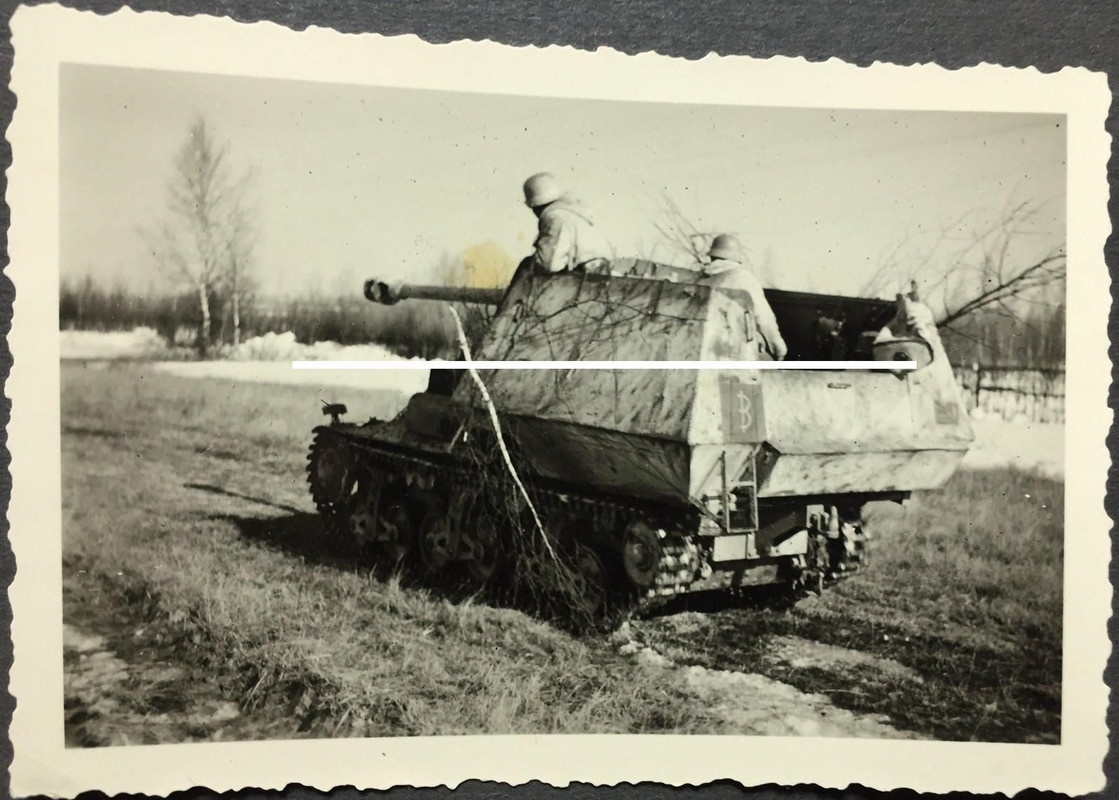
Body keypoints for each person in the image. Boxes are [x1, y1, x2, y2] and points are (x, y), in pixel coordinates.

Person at [696, 234, 787, 361]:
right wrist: (778, 347)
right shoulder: (743, 278)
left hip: (700, 348)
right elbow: (764, 318)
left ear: (712, 255)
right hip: (734, 350)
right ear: (736, 258)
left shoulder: (701, 281)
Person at [522, 172, 611, 273]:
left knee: (526, 265)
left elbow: (549, 264)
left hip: (581, 278)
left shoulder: (553, 217)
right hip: (603, 272)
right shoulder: (577, 211)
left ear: (534, 205)